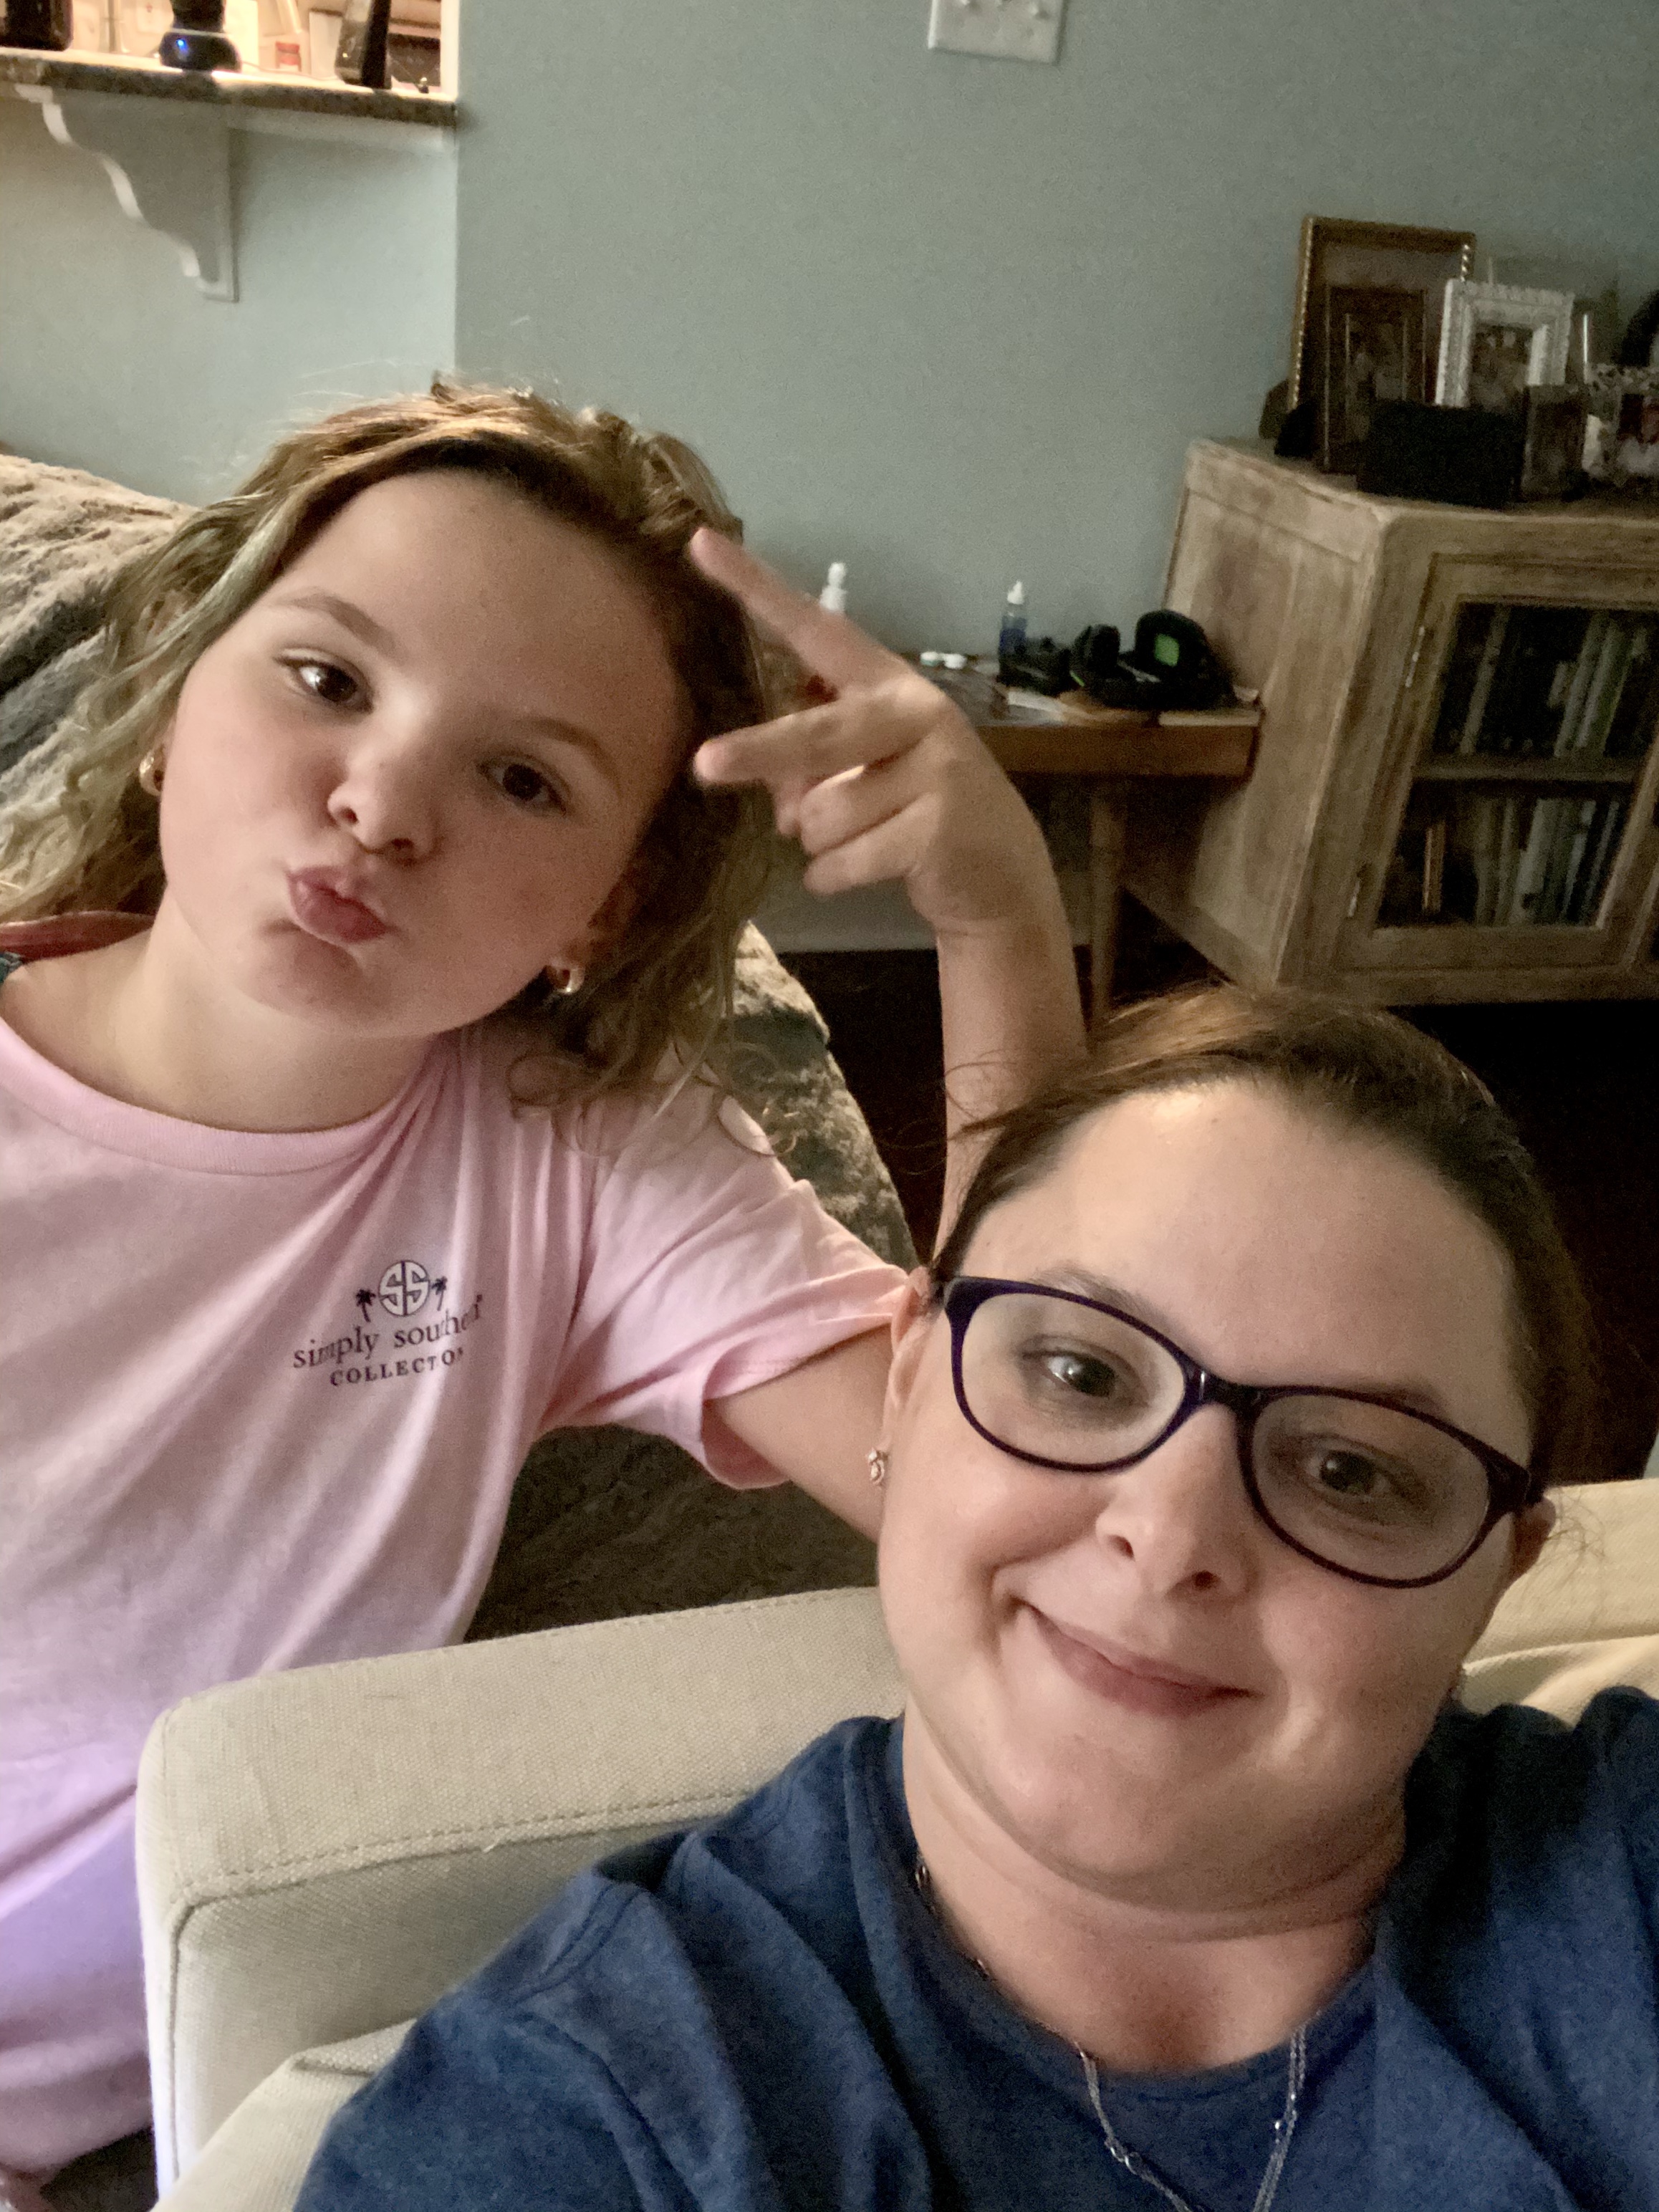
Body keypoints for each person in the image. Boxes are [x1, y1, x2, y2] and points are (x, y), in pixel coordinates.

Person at [0, 383, 1084, 2188]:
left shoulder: (570, 1158)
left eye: (522, 779)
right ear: (175, 701)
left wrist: (996, 926)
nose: (379, 802)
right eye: (327, 678)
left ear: (608, 903)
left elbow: (1015, 1473)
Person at [296, 986, 1659, 2212]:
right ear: (905, 1380)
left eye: (1350, 1469)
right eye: (1081, 1375)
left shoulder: (1620, 1878)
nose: (1167, 1536)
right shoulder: (587, 2116)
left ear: (1499, 1571)